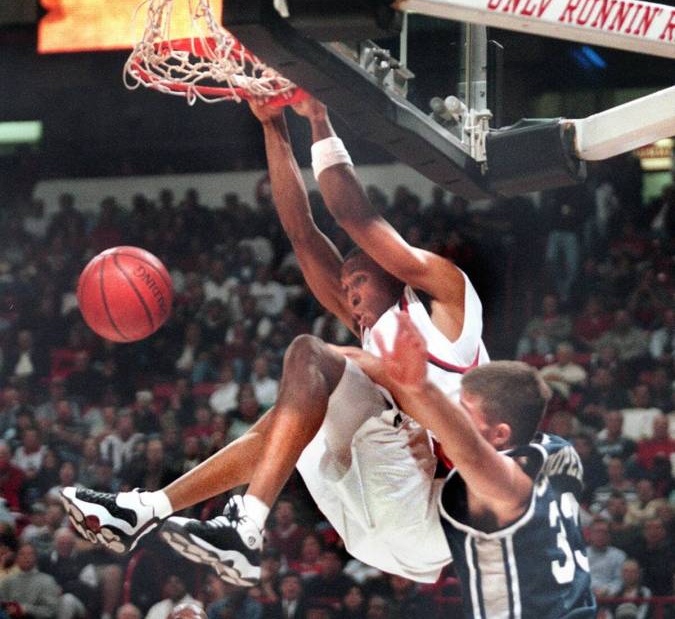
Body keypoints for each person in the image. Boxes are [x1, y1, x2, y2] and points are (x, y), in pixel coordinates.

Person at [61, 96, 488, 585]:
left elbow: (354, 216)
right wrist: (273, 125)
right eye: (344, 288)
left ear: (390, 271)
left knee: (314, 356)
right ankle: (148, 509)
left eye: (358, 282)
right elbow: (301, 234)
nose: (348, 295)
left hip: (437, 510)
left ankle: (246, 523)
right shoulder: (372, 336)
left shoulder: (449, 303)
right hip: (374, 530)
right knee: (296, 413)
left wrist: (320, 118)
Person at [343, 313, 595, 618]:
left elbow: (472, 453)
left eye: (464, 413)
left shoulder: (504, 485)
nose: (455, 419)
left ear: (501, 433)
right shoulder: (558, 451)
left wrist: (417, 387)